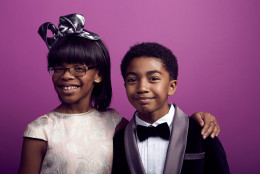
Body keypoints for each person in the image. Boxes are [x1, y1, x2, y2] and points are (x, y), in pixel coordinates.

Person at [18, 14, 220, 174]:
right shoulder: (39, 130)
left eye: (78, 68)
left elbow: (161, 121)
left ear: (98, 74)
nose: (67, 76)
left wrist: (196, 120)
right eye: (58, 68)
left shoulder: (113, 123)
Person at [112, 42, 230, 174]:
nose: (142, 88)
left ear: (171, 86)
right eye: (132, 80)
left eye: (153, 78)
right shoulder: (118, 139)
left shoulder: (202, 133)